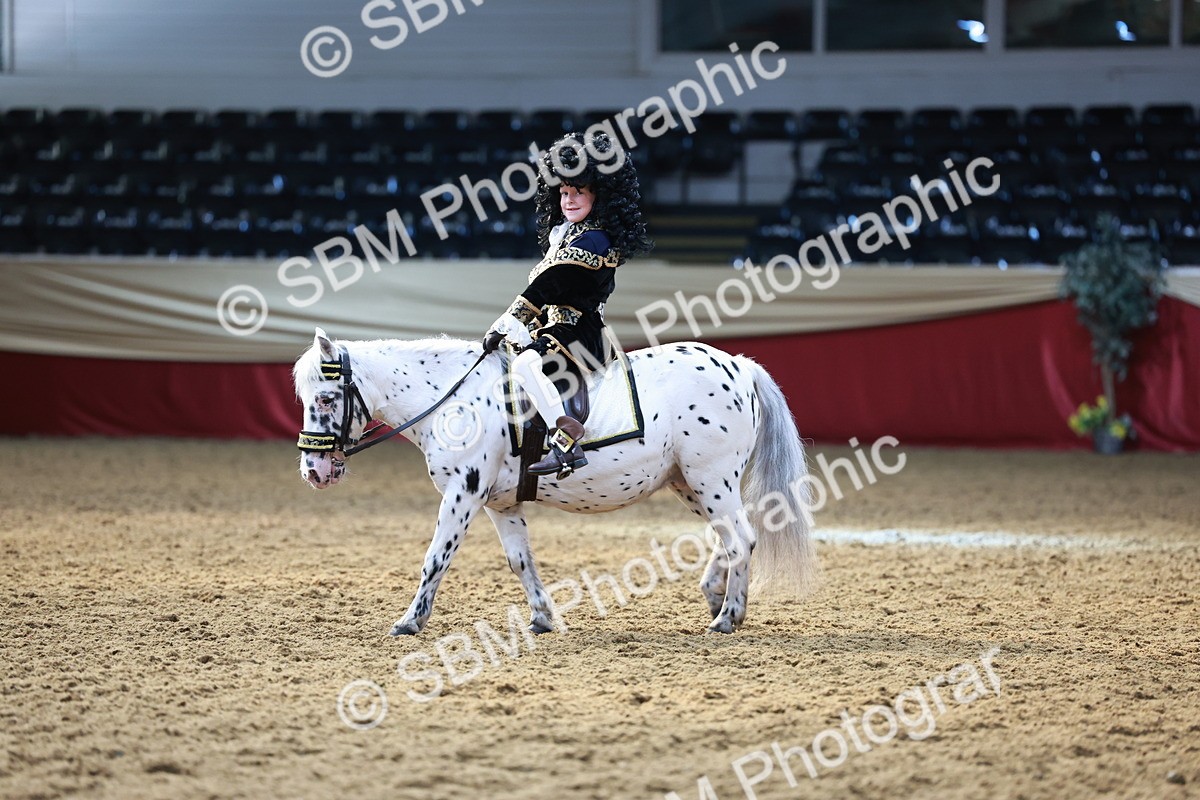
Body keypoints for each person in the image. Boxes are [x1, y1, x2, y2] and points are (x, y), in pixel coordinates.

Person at [482, 131, 653, 478]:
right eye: (564, 192)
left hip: (581, 332)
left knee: (525, 365)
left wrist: (511, 318)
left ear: (599, 196)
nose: (569, 200)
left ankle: (566, 442)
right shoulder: (565, 235)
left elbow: (552, 282)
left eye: (579, 192)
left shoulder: (596, 240)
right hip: (555, 328)